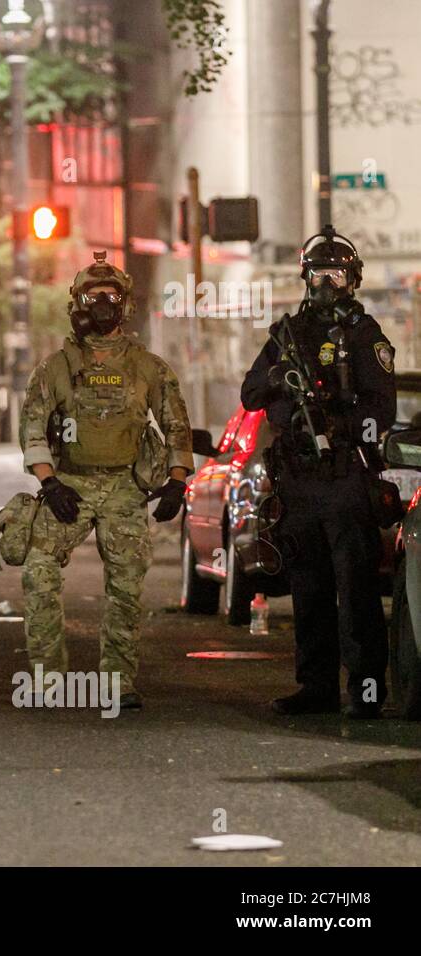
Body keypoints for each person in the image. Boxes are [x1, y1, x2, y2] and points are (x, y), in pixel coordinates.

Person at [18, 251, 193, 711]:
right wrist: (49, 483)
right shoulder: (55, 367)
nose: (101, 303)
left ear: (125, 305)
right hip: (69, 485)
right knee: (38, 571)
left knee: (126, 586)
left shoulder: (148, 367)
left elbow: (176, 424)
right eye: (91, 295)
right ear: (76, 304)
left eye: (111, 295)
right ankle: (47, 678)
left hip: (124, 489)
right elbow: (33, 425)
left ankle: (117, 681)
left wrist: (177, 481)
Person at [241, 225, 396, 718]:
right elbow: (250, 394)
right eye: (319, 274)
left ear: (352, 279)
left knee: (357, 592)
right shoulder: (288, 334)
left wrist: (341, 424)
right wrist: (279, 380)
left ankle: (367, 691)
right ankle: (316, 687)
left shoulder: (366, 336)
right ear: (306, 278)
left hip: (346, 478)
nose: (328, 283)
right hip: (300, 482)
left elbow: (382, 412)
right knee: (308, 590)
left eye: (337, 274)